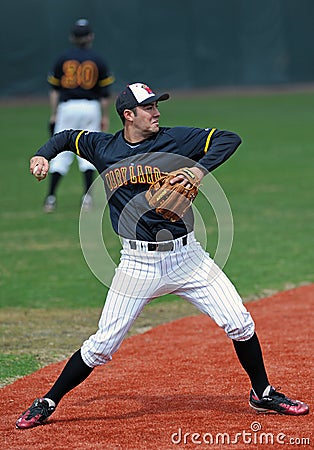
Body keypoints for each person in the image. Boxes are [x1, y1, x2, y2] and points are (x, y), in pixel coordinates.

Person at [16, 82, 309, 429]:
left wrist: (198, 169)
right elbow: (65, 137)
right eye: (149, 108)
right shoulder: (103, 146)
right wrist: (42, 154)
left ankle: (262, 392)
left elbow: (229, 138)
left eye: (157, 106)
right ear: (128, 115)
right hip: (138, 264)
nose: (156, 113)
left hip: (189, 258)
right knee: (101, 347)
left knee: (240, 323)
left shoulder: (174, 140)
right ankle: (48, 400)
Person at [44, 18, 115, 212]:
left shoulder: (62, 58)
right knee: (88, 152)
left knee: (61, 150)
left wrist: (54, 114)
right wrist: (105, 115)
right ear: (90, 37)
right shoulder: (98, 59)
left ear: (72, 37)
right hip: (91, 107)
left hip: (67, 107)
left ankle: (50, 198)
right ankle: (87, 197)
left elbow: (54, 90)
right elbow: (105, 94)